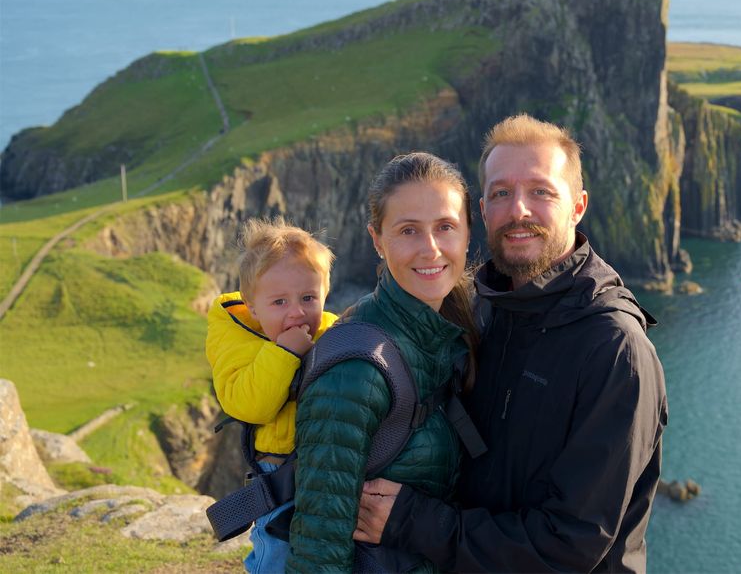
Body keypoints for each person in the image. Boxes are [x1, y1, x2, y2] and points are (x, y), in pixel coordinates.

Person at [356, 115, 668, 573]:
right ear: (482, 210)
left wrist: (410, 520)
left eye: (541, 191)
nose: (518, 209)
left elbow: (571, 545)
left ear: (578, 206)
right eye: (501, 193)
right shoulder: (479, 309)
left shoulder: (614, 349)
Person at [286, 152, 480, 573]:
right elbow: (319, 546)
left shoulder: (451, 329)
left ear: (467, 232)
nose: (431, 249)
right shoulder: (355, 370)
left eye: (445, 227)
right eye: (408, 230)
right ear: (377, 239)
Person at [205, 217, 339, 574]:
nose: (297, 311)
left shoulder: (333, 330)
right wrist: (284, 354)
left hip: (328, 469)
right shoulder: (237, 341)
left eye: (309, 297)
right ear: (252, 307)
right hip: (278, 473)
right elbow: (250, 405)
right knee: (276, 553)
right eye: (279, 302)